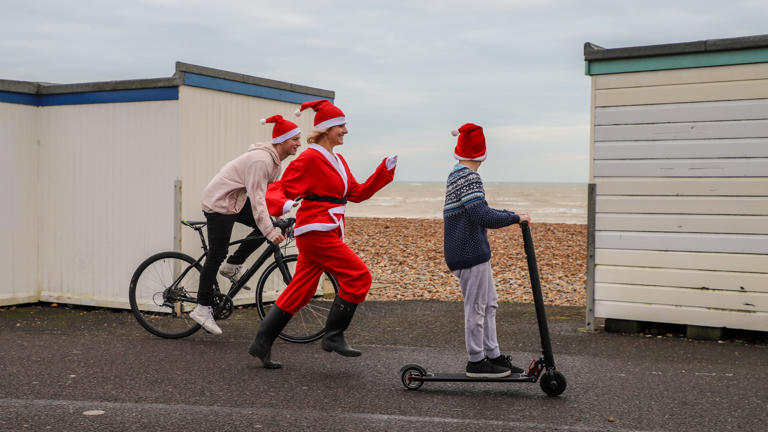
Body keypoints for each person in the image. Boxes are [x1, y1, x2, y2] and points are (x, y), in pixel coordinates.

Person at [248, 100, 397, 368]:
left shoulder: (338, 160)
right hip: (316, 231)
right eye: (340, 126)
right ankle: (333, 336)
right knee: (359, 276)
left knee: (301, 290)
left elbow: (356, 194)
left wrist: (383, 172)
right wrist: (282, 205)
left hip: (327, 230)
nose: (345, 131)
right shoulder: (309, 157)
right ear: (326, 129)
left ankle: (261, 342)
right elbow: (279, 188)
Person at [189, 115, 302, 335]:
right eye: (295, 139)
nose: (299, 143)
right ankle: (202, 308)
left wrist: (282, 213)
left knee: (264, 227)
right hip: (219, 202)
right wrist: (270, 230)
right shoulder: (261, 161)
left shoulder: (275, 163)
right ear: (282, 140)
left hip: (236, 201)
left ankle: (232, 265)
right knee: (217, 252)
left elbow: (267, 197)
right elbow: (258, 199)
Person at [443, 123, 531, 378]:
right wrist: (515, 218)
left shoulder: (457, 174)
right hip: (469, 253)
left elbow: (481, 209)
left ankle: (493, 355)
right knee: (477, 307)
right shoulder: (468, 177)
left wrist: (513, 215)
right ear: (482, 152)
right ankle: (476, 360)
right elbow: (483, 215)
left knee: (489, 304)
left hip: (470, 251)